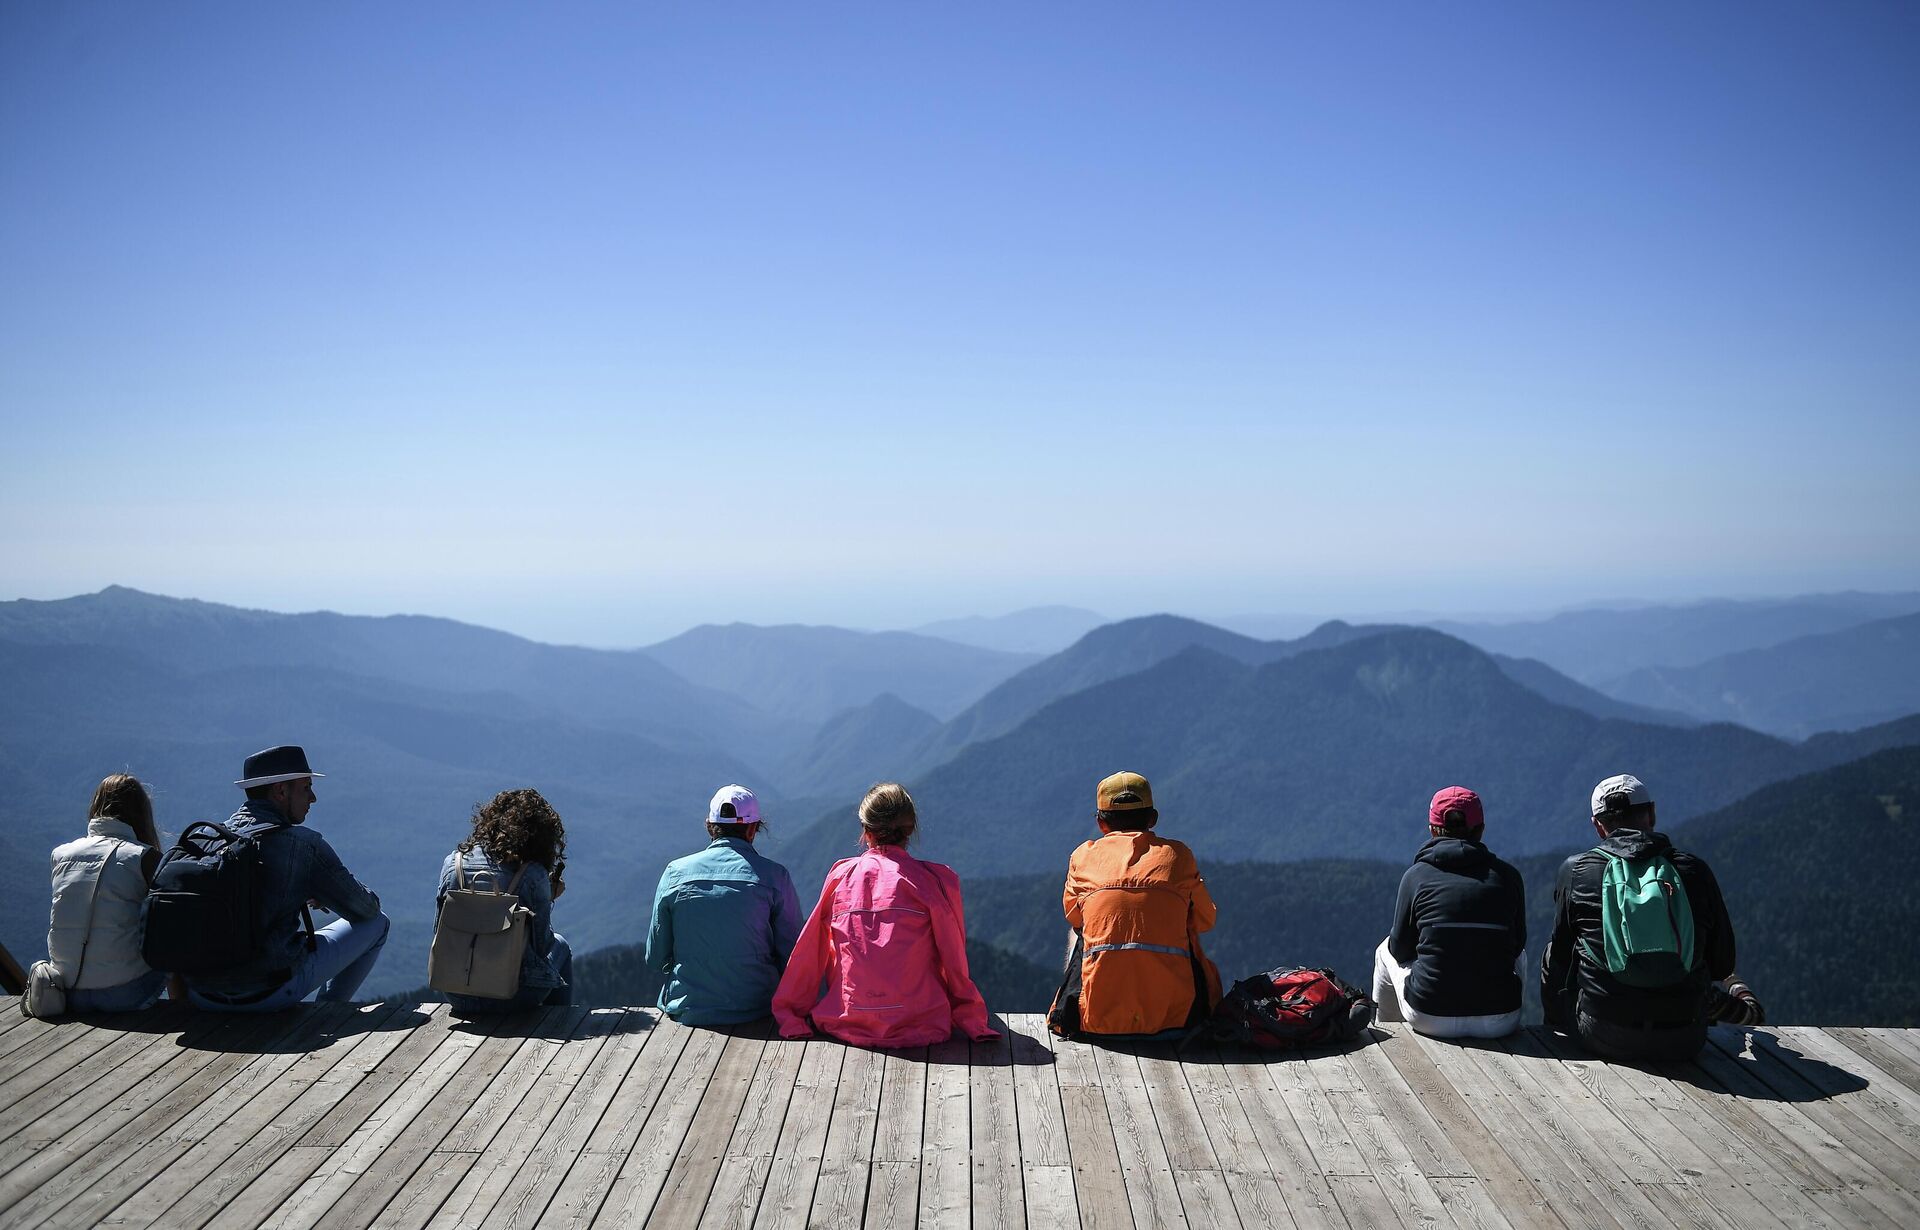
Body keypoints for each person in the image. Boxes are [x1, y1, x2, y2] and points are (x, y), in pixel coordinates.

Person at [1541, 773, 1765, 1062]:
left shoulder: (1576, 870)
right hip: (1685, 1038)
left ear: (1598, 826)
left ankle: (1553, 1034)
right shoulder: (1693, 870)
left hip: (1603, 1034)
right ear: (1652, 813)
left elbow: (1561, 955)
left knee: (1551, 952)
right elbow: (1722, 962)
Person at [772, 783, 996, 1046]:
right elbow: (953, 958)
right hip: (920, 1022)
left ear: (866, 831)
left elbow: (809, 952)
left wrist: (791, 1014)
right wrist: (970, 1017)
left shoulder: (840, 877)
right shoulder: (935, 882)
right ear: (910, 829)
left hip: (846, 1021)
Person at [186, 745, 390, 1012]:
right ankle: (330, 1013)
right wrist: (322, 888)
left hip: (202, 995)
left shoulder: (204, 838)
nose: (313, 797)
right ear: (281, 791)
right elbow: (365, 908)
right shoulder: (302, 845)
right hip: (267, 994)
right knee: (378, 923)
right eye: (306, 787)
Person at [1049, 771, 1221, 1039]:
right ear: (1153, 819)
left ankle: (1076, 1001)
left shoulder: (1083, 857)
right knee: (1185, 923)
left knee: (1079, 930)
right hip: (1178, 1021)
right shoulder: (1178, 856)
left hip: (1095, 1021)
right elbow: (1205, 920)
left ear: (1100, 823)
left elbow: (1074, 916)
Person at [1372, 786, 1526, 1039]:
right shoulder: (1508, 877)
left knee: (1383, 950)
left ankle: (1387, 1035)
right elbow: (1517, 944)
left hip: (1429, 1016)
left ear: (1432, 829)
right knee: (1520, 955)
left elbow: (1399, 949)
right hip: (1501, 1019)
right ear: (1481, 829)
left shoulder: (1416, 876)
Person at [647, 785, 802, 1025]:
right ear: (753, 829)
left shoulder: (675, 873)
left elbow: (655, 957)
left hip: (688, 1009)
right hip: (759, 1006)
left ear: (710, 826)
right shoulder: (775, 877)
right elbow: (792, 954)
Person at [45, 774, 182, 1012]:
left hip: (63, 992)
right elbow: (170, 928)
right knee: (176, 934)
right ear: (141, 813)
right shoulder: (144, 857)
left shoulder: (60, 855)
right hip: (124, 994)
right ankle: (182, 1009)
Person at [437, 787, 573, 1014]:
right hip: (512, 995)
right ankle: (560, 1022)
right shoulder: (533, 875)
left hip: (456, 991)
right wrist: (546, 898)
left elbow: (439, 930)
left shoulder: (454, 864)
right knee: (561, 945)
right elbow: (542, 946)